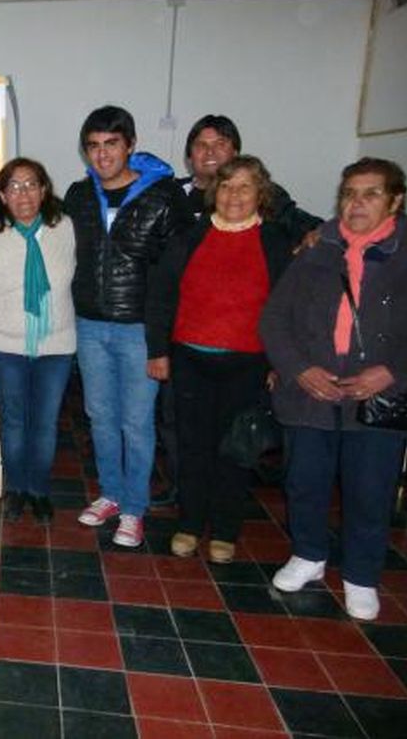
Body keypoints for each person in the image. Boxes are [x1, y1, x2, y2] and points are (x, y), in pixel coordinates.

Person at [260, 157, 407, 620]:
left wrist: (393, 372)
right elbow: (274, 319)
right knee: (304, 480)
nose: (356, 203)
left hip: (376, 397)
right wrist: (298, 369)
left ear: (395, 199)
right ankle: (308, 555)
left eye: (370, 194)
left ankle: (361, 575)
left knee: (370, 488)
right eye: (349, 193)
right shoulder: (317, 248)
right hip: (312, 391)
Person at [148, 156, 294, 563]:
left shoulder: (277, 243)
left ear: (260, 193)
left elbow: (288, 311)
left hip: (248, 365)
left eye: (245, 187)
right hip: (190, 360)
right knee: (193, 447)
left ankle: (225, 531)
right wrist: (158, 351)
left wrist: (279, 364)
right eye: (227, 186)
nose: (234, 195)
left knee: (236, 450)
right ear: (215, 190)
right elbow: (161, 296)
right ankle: (190, 525)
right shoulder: (189, 238)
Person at [67, 105, 194, 547]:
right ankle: (111, 495)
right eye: (94, 146)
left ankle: (135, 509)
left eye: (111, 144)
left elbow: (177, 273)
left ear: (130, 145)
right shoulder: (79, 197)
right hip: (89, 324)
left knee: (136, 423)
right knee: (99, 417)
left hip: (139, 330)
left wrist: (162, 341)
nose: (102, 155)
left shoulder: (163, 197)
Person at [0, 158, 76, 524]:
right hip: (5, 348)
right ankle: (17, 488)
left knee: (45, 423)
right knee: (14, 422)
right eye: (15, 187)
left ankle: (39, 490)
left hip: (56, 346)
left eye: (31, 184)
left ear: (44, 190)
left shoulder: (64, 229)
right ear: (2, 196)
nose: (24, 193)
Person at [178, 115, 321, 240]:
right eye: (201, 145)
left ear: (235, 153)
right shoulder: (171, 193)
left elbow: (313, 228)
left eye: (220, 144)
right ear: (189, 156)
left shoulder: (260, 191)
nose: (210, 152)